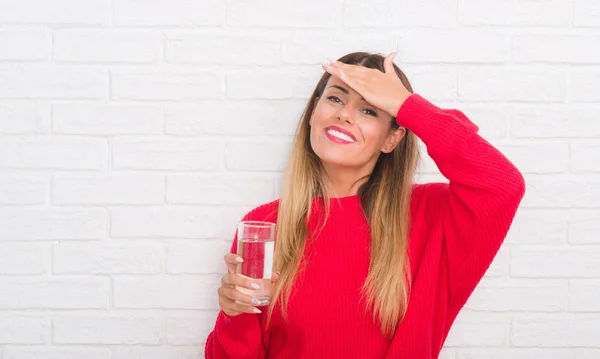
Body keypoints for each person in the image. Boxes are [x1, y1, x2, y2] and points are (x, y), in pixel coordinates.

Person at [204, 51, 526, 359]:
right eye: (335, 98)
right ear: (314, 113)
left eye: (369, 110)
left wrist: (407, 105)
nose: (344, 113)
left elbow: (503, 185)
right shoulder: (266, 223)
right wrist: (236, 315)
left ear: (392, 138)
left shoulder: (431, 215)